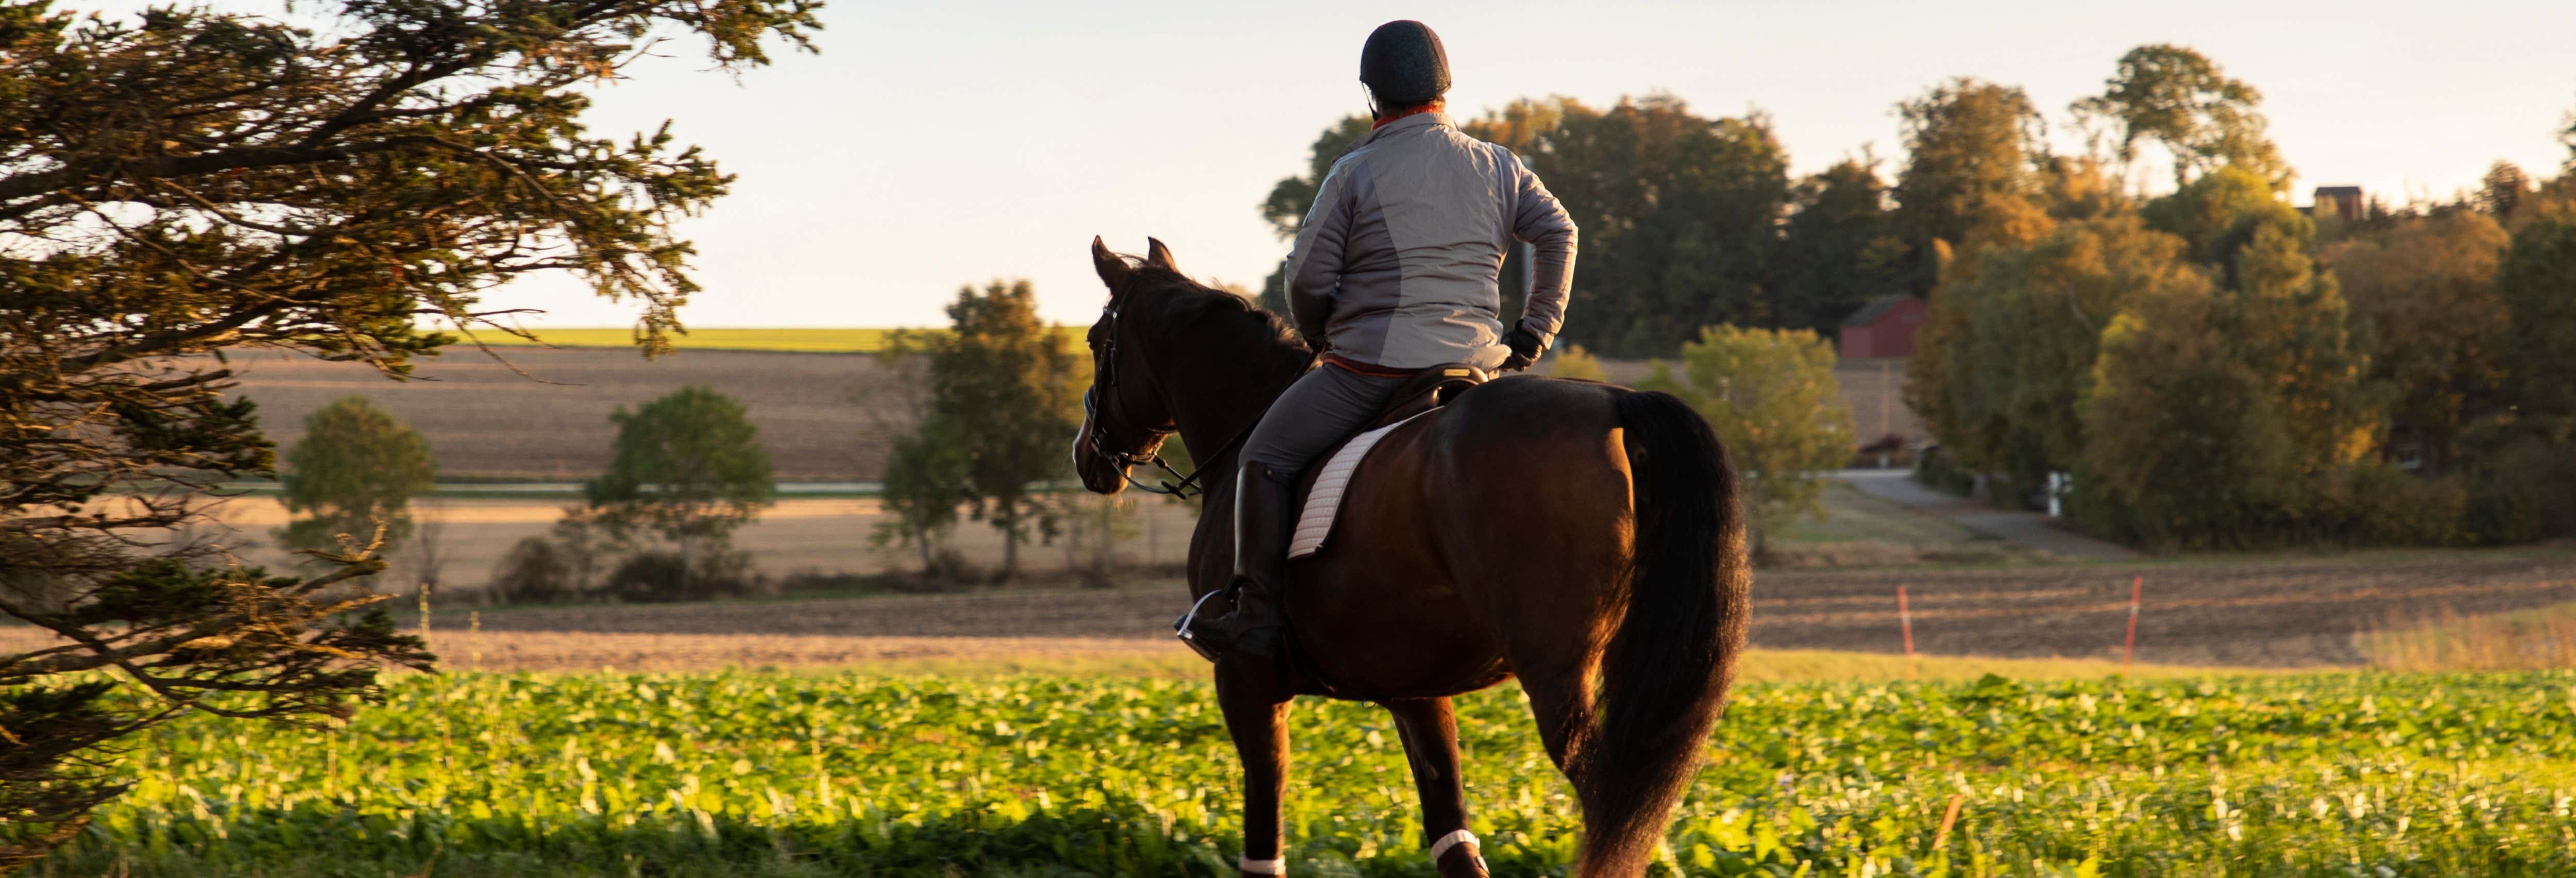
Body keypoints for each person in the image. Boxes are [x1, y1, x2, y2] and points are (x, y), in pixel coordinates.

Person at [1178, 19, 1578, 662]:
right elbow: (1560, 232)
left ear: (1372, 96)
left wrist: (1319, 337)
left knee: (1263, 458)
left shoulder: (1354, 170)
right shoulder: (1499, 164)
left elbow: (1306, 277)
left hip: (1370, 370)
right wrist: (1535, 330)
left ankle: (1254, 614)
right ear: (1445, 88)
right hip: (1475, 368)